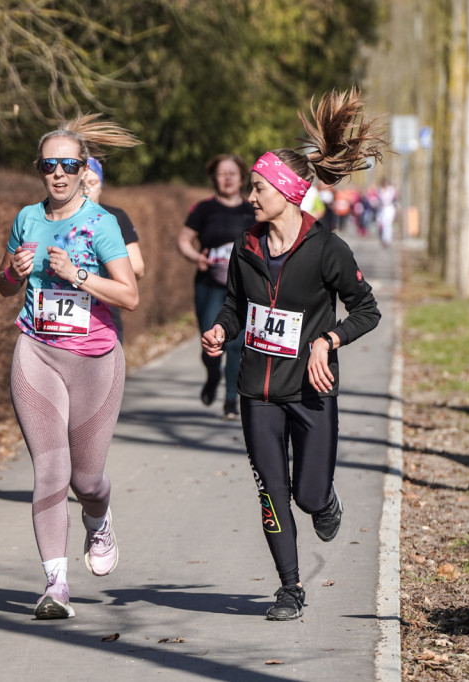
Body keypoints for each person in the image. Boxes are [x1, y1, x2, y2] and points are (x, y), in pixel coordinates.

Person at [201, 88, 384, 621]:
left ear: (285, 191)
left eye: (258, 188)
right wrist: (220, 330)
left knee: (306, 495)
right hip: (256, 391)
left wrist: (329, 340)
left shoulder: (327, 249)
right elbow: (235, 306)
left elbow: (366, 310)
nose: (250, 198)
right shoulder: (246, 245)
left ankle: (326, 501)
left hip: (311, 390)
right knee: (272, 493)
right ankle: (289, 588)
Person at [0, 114, 139, 619]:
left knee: (87, 478)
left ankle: (98, 520)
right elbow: (3, 284)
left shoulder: (102, 225)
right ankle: (55, 585)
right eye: (48, 165)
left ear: (83, 170)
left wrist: (78, 274)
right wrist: (11, 273)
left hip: (95, 358)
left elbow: (130, 295)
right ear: (39, 169)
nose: (57, 174)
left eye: (68, 165)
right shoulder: (26, 218)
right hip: (35, 350)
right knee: (49, 467)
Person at [177, 154, 255, 420]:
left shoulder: (252, 210)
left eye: (233, 173)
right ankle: (213, 375)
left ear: (243, 178)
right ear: (214, 179)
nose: (228, 178)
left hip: (242, 288)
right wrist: (195, 257)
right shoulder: (204, 209)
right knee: (210, 340)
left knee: (235, 344)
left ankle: (231, 400)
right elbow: (184, 240)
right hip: (209, 285)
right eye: (222, 173)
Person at [83, 157, 146, 343]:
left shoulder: (115, 217)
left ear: (101, 185)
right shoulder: (53, 217)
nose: (86, 189)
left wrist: (104, 267)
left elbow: (138, 268)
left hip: (104, 311)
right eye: (80, 183)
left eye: (92, 183)